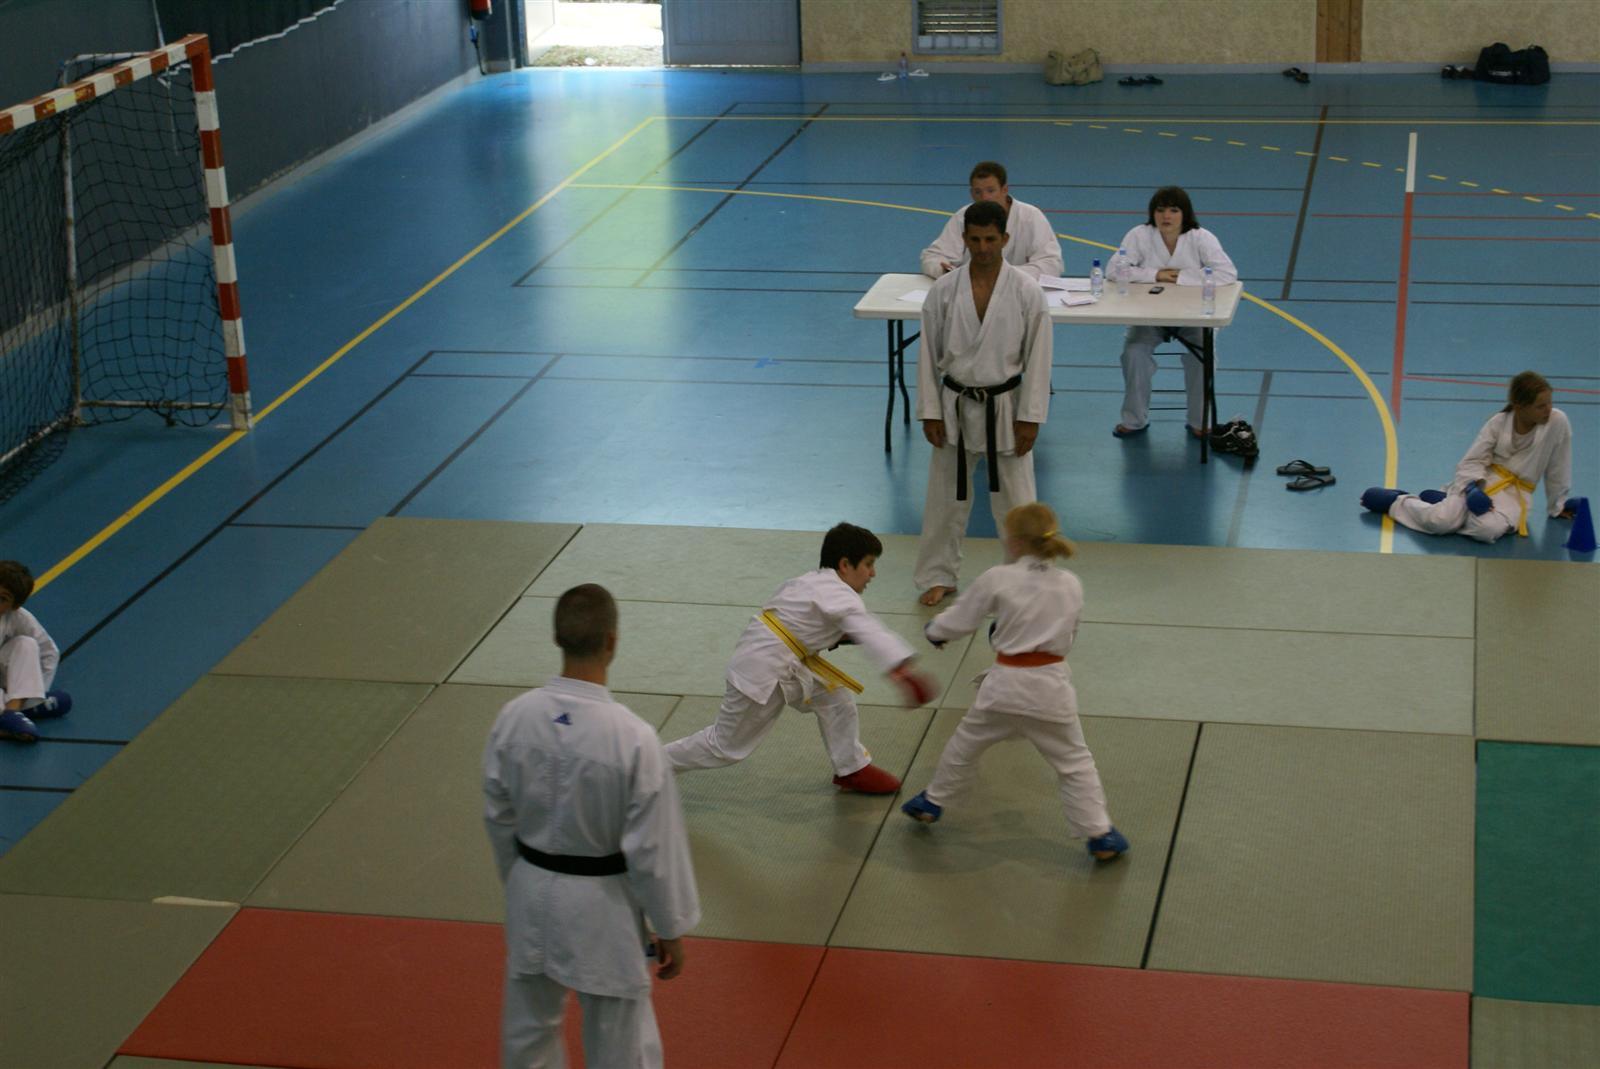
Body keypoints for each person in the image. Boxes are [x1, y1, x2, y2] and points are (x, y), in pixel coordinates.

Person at [483, 584, 700, 1069]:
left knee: (527, 1037)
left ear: (556, 638)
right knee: (621, 1045)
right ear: (612, 642)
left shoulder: (514, 718)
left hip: (530, 892)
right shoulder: (633, 739)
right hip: (602, 907)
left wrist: (519, 879)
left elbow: (498, 816)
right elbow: (653, 850)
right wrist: (670, 926)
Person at [901, 503, 1128, 862]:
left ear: (1015, 541)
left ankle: (932, 802)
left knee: (964, 746)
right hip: (1051, 691)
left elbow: (962, 618)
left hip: (1003, 690)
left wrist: (935, 630)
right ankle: (1100, 835)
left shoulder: (998, 577)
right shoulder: (1070, 584)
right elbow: (1069, 635)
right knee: (1075, 763)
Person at [664, 523, 937, 794]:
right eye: (868, 564)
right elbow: (868, 628)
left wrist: (840, 637)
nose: (872, 573)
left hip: (779, 660)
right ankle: (653, 761)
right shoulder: (842, 595)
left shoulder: (809, 581)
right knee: (724, 746)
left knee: (836, 698)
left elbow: (804, 623)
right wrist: (902, 670)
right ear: (845, 564)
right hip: (765, 668)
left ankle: (852, 768)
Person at [914, 199, 1052, 607]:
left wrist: (1030, 417)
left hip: (1006, 406)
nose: (983, 248)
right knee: (945, 501)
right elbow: (927, 354)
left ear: (1005, 239)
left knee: (1018, 503)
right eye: (974, 240)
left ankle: (1028, 579)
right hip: (954, 403)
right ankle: (938, 574)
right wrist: (930, 411)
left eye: (991, 239)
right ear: (964, 239)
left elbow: (1039, 358)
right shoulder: (943, 291)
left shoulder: (1027, 291)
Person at [1362, 370, 1577, 543]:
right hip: (1482, 482)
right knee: (1440, 522)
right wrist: (1472, 488)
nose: (1548, 409)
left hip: (1515, 495)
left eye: (1550, 403)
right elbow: (1472, 461)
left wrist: (1558, 505)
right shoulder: (1499, 422)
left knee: (1486, 530)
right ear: (1520, 407)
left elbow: (1559, 465)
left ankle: (1444, 502)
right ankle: (1397, 501)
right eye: (1541, 406)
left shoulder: (1557, 422)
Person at [1110, 186, 1238, 439]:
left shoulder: (1201, 238)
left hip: (1193, 317)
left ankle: (1199, 420)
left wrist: (1180, 277)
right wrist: (1155, 274)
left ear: (1184, 214)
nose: (1166, 216)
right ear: (1153, 213)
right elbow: (1114, 271)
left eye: (1173, 210)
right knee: (1134, 354)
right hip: (1148, 317)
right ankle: (1134, 419)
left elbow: (1227, 273)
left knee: (1203, 357)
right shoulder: (1139, 235)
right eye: (1160, 210)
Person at [921, 160, 1064, 281]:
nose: (984, 198)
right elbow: (933, 257)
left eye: (990, 190)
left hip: (1019, 291)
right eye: (978, 192)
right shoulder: (963, 216)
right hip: (971, 289)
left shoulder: (1031, 217)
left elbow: (1051, 264)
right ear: (971, 193)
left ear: (1004, 190)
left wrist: (1002, 276)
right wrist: (944, 271)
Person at [0, 560, 71, 744]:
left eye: (3, 599)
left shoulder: (18, 617)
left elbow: (49, 653)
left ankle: (13, 711)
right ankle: (15, 715)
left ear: (14, 606)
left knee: (26, 644)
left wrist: (36, 693)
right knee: (61, 701)